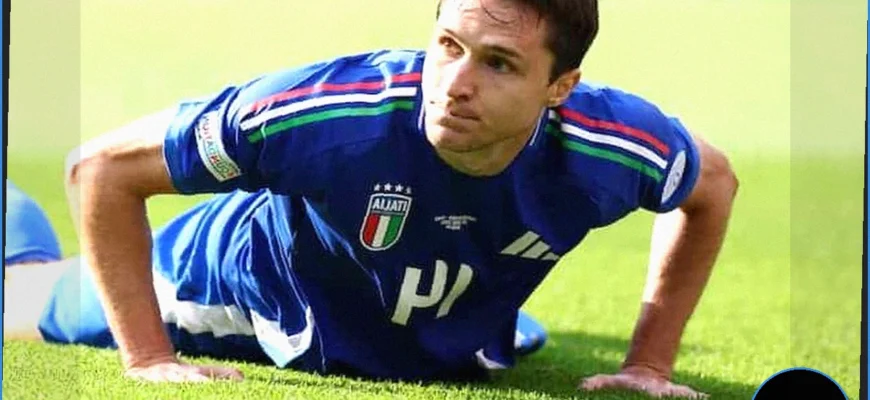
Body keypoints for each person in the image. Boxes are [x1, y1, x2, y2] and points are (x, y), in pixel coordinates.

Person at [5, 0, 738, 398]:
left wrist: (649, 365)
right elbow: (100, 169)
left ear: (560, 88)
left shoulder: (612, 143)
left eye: (498, 63)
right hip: (219, 284)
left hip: (423, 322)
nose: (455, 84)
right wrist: (145, 359)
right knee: (20, 298)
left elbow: (712, 185)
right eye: (447, 45)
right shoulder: (330, 113)